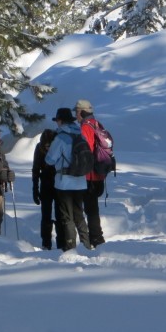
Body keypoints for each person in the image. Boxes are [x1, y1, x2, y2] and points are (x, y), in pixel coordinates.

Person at [45, 108, 90, 250]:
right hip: (80, 181)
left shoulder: (60, 138)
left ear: (60, 120)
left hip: (64, 183)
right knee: (79, 215)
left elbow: (50, 160)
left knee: (67, 217)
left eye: (57, 120)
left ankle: (71, 247)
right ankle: (86, 245)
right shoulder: (80, 135)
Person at [75, 99, 106, 247]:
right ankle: (96, 238)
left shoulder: (85, 128)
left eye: (76, 111)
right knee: (93, 208)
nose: (75, 114)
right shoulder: (97, 124)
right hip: (99, 174)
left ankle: (96, 239)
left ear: (81, 112)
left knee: (89, 209)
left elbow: (85, 152)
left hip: (89, 176)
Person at [32, 128, 60, 249]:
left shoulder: (58, 147)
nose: (48, 148)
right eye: (46, 146)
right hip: (46, 184)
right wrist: (35, 189)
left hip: (59, 184)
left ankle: (62, 242)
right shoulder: (39, 148)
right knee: (46, 216)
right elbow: (35, 169)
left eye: (50, 146)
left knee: (60, 215)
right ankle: (46, 243)